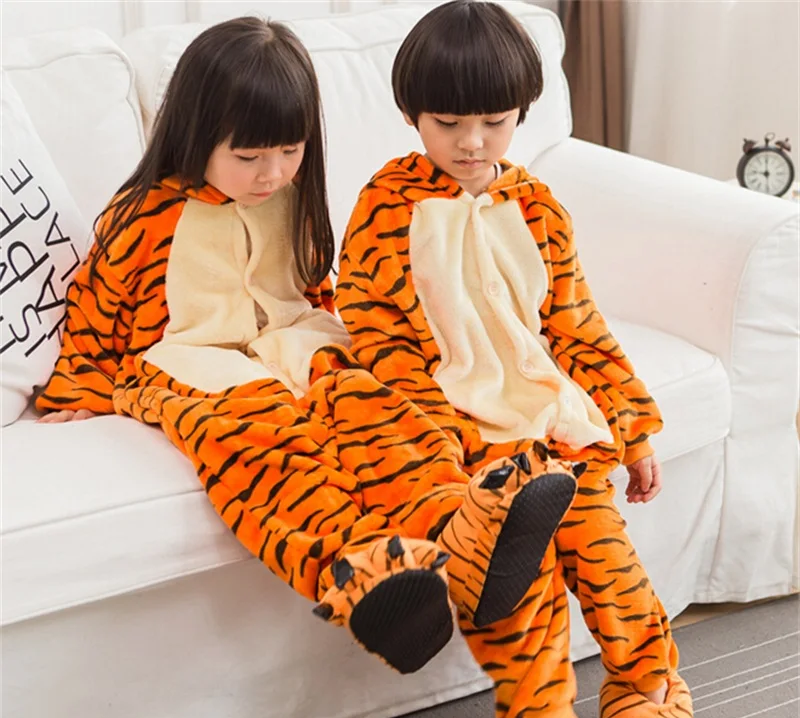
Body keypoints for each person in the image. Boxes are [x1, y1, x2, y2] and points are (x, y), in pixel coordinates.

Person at [34, 17, 581, 682]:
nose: (271, 174)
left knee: (380, 411)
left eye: (289, 152)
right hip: (190, 361)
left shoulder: (291, 197)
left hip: (300, 340)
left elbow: (312, 284)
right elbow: (94, 312)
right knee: (267, 446)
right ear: (196, 135)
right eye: (249, 157)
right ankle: (363, 573)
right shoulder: (144, 216)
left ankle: (461, 532)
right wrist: (78, 389)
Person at [335, 2, 707, 718]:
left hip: (558, 428)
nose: (472, 143)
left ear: (521, 116)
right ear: (410, 115)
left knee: (611, 566)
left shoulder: (538, 208)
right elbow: (379, 342)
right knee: (519, 594)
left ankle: (651, 707)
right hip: (475, 449)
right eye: (448, 124)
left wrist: (634, 431)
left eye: (494, 123)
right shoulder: (385, 208)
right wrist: (440, 451)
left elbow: (577, 326)